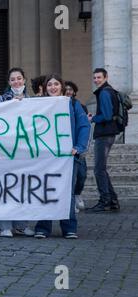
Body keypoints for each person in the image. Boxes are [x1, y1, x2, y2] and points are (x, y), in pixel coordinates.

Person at [34, 74, 90, 239]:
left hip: (67, 156)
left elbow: (83, 125)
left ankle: (69, 227)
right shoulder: (39, 105)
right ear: (45, 88)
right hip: (45, 157)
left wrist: (79, 147)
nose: (53, 87)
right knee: (44, 190)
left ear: (62, 86)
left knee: (67, 192)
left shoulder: (73, 104)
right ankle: (43, 228)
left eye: (56, 84)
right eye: (49, 84)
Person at [0, 67, 35, 237]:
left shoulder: (34, 101)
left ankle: (21, 224)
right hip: (5, 150)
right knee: (5, 187)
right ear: (9, 82)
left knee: (22, 187)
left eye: (19, 78)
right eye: (13, 79)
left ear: (24, 80)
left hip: (24, 151)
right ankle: (3, 226)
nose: (16, 82)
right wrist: (10, 105)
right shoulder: (1, 99)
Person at [86, 68, 121, 213]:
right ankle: (112, 201)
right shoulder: (109, 91)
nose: (96, 80)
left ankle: (104, 201)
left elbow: (106, 115)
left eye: (99, 77)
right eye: (94, 78)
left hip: (104, 134)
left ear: (106, 77)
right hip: (109, 133)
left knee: (99, 169)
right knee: (102, 169)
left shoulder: (104, 92)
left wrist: (92, 118)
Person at [65, 81, 89, 213]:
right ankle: (70, 202)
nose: (68, 91)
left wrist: (80, 146)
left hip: (75, 148)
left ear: (74, 92)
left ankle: (76, 194)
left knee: (81, 175)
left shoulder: (78, 105)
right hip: (62, 150)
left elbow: (84, 125)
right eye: (66, 89)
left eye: (70, 89)